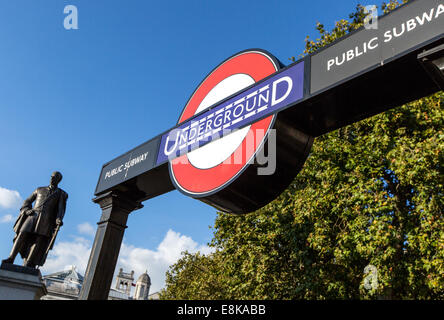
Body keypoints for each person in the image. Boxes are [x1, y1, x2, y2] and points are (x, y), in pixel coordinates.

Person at [2, 171, 68, 268]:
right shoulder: (39, 189)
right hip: (33, 216)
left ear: (59, 180)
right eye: (51, 177)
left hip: (46, 219)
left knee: (38, 240)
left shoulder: (62, 194)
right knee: (21, 234)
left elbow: (60, 210)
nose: (52, 179)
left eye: (54, 177)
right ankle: (11, 258)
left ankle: (29, 262)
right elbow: (27, 201)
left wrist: (58, 219)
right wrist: (27, 210)